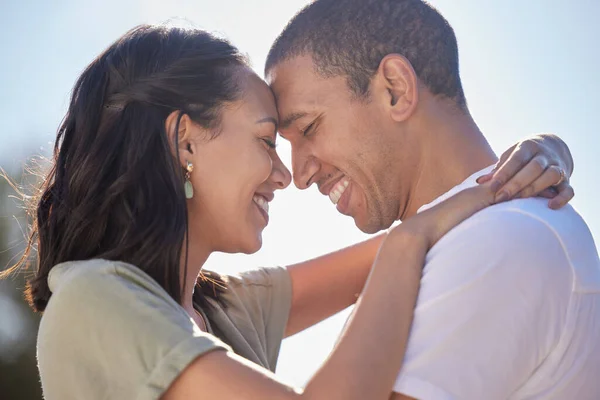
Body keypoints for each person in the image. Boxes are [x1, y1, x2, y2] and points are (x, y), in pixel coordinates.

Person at [2, 25, 576, 400]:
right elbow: (416, 240)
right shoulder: (93, 299)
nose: (287, 176)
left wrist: (538, 154)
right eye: (266, 140)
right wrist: (408, 242)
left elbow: (452, 220)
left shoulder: (221, 310)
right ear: (185, 143)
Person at [264, 0, 600, 398]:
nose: (299, 174)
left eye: (309, 127)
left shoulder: (501, 241)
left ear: (396, 89)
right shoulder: (460, 242)